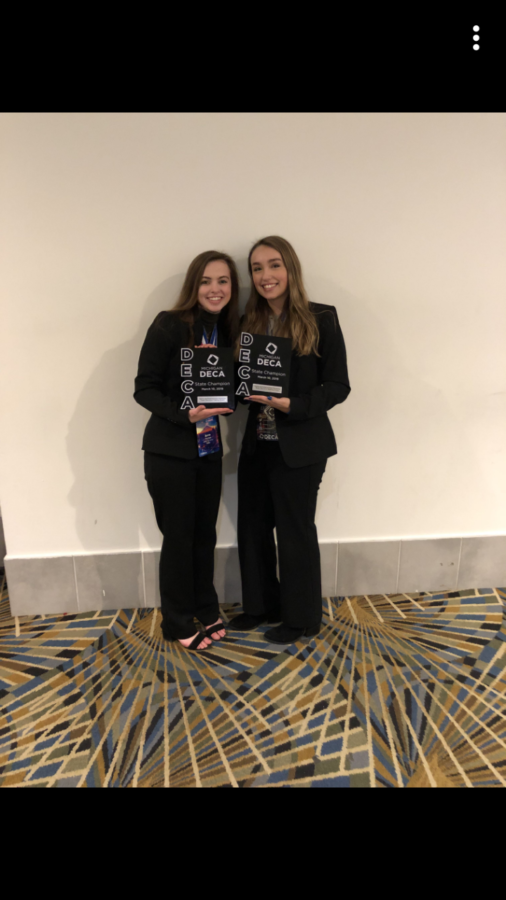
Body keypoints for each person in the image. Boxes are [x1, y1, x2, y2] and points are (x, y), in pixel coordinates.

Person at [228, 236, 351, 645]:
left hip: (300, 444)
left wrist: (292, 404)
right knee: (253, 526)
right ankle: (261, 606)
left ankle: (302, 618)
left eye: (274, 265)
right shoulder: (247, 322)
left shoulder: (322, 318)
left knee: (295, 531)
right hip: (256, 443)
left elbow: (338, 386)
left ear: (291, 269)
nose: (265, 276)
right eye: (257, 268)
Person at [134, 251, 238, 652]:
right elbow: (144, 387)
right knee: (178, 539)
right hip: (170, 452)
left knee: (203, 536)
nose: (215, 289)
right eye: (207, 281)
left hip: (209, 449)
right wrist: (184, 413)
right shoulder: (169, 325)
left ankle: (205, 606)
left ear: (232, 287)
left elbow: (231, 387)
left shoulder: (228, 332)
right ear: (194, 286)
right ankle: (176, 621)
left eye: (223, 281)